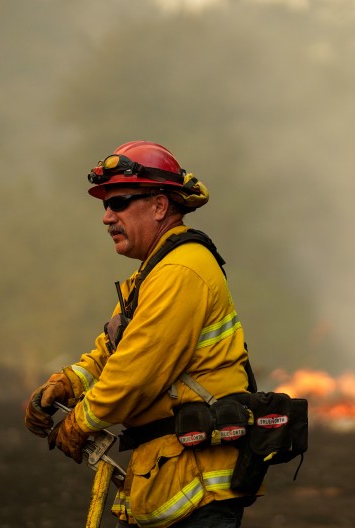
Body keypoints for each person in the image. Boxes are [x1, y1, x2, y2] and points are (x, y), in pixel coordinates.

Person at [24, 140, 257, 528]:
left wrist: (81, 421)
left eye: (119, 203)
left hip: (199, 488)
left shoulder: (183, 271)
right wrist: (67, 382)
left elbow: (136, 371)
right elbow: (113, 352)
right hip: (171, 474)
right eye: (104, 205)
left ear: (159, 205)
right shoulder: (153, 272)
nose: (107, 217)